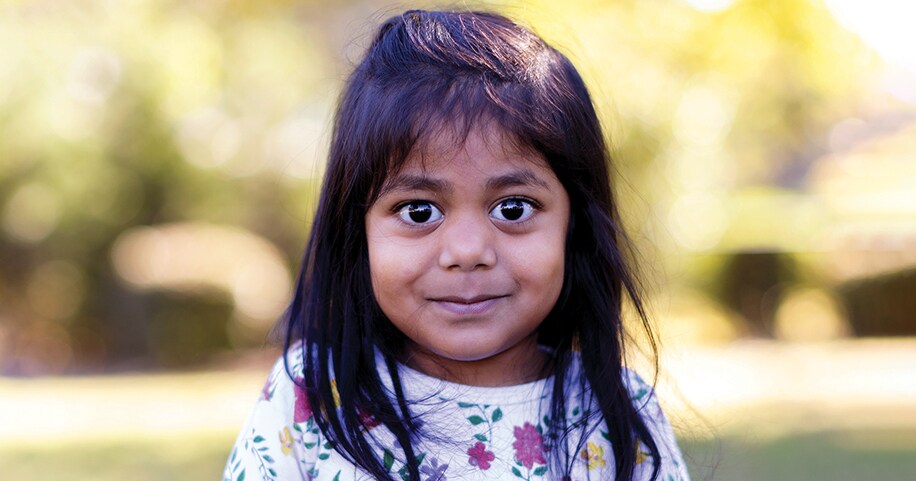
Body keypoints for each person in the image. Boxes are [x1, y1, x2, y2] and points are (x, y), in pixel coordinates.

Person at [223, 9, 689, 481]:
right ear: (357, 230)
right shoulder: (313, 398)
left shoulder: (618, 416)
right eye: (419, 212)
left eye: (513, 208)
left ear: (576, 225)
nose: (467, 252)